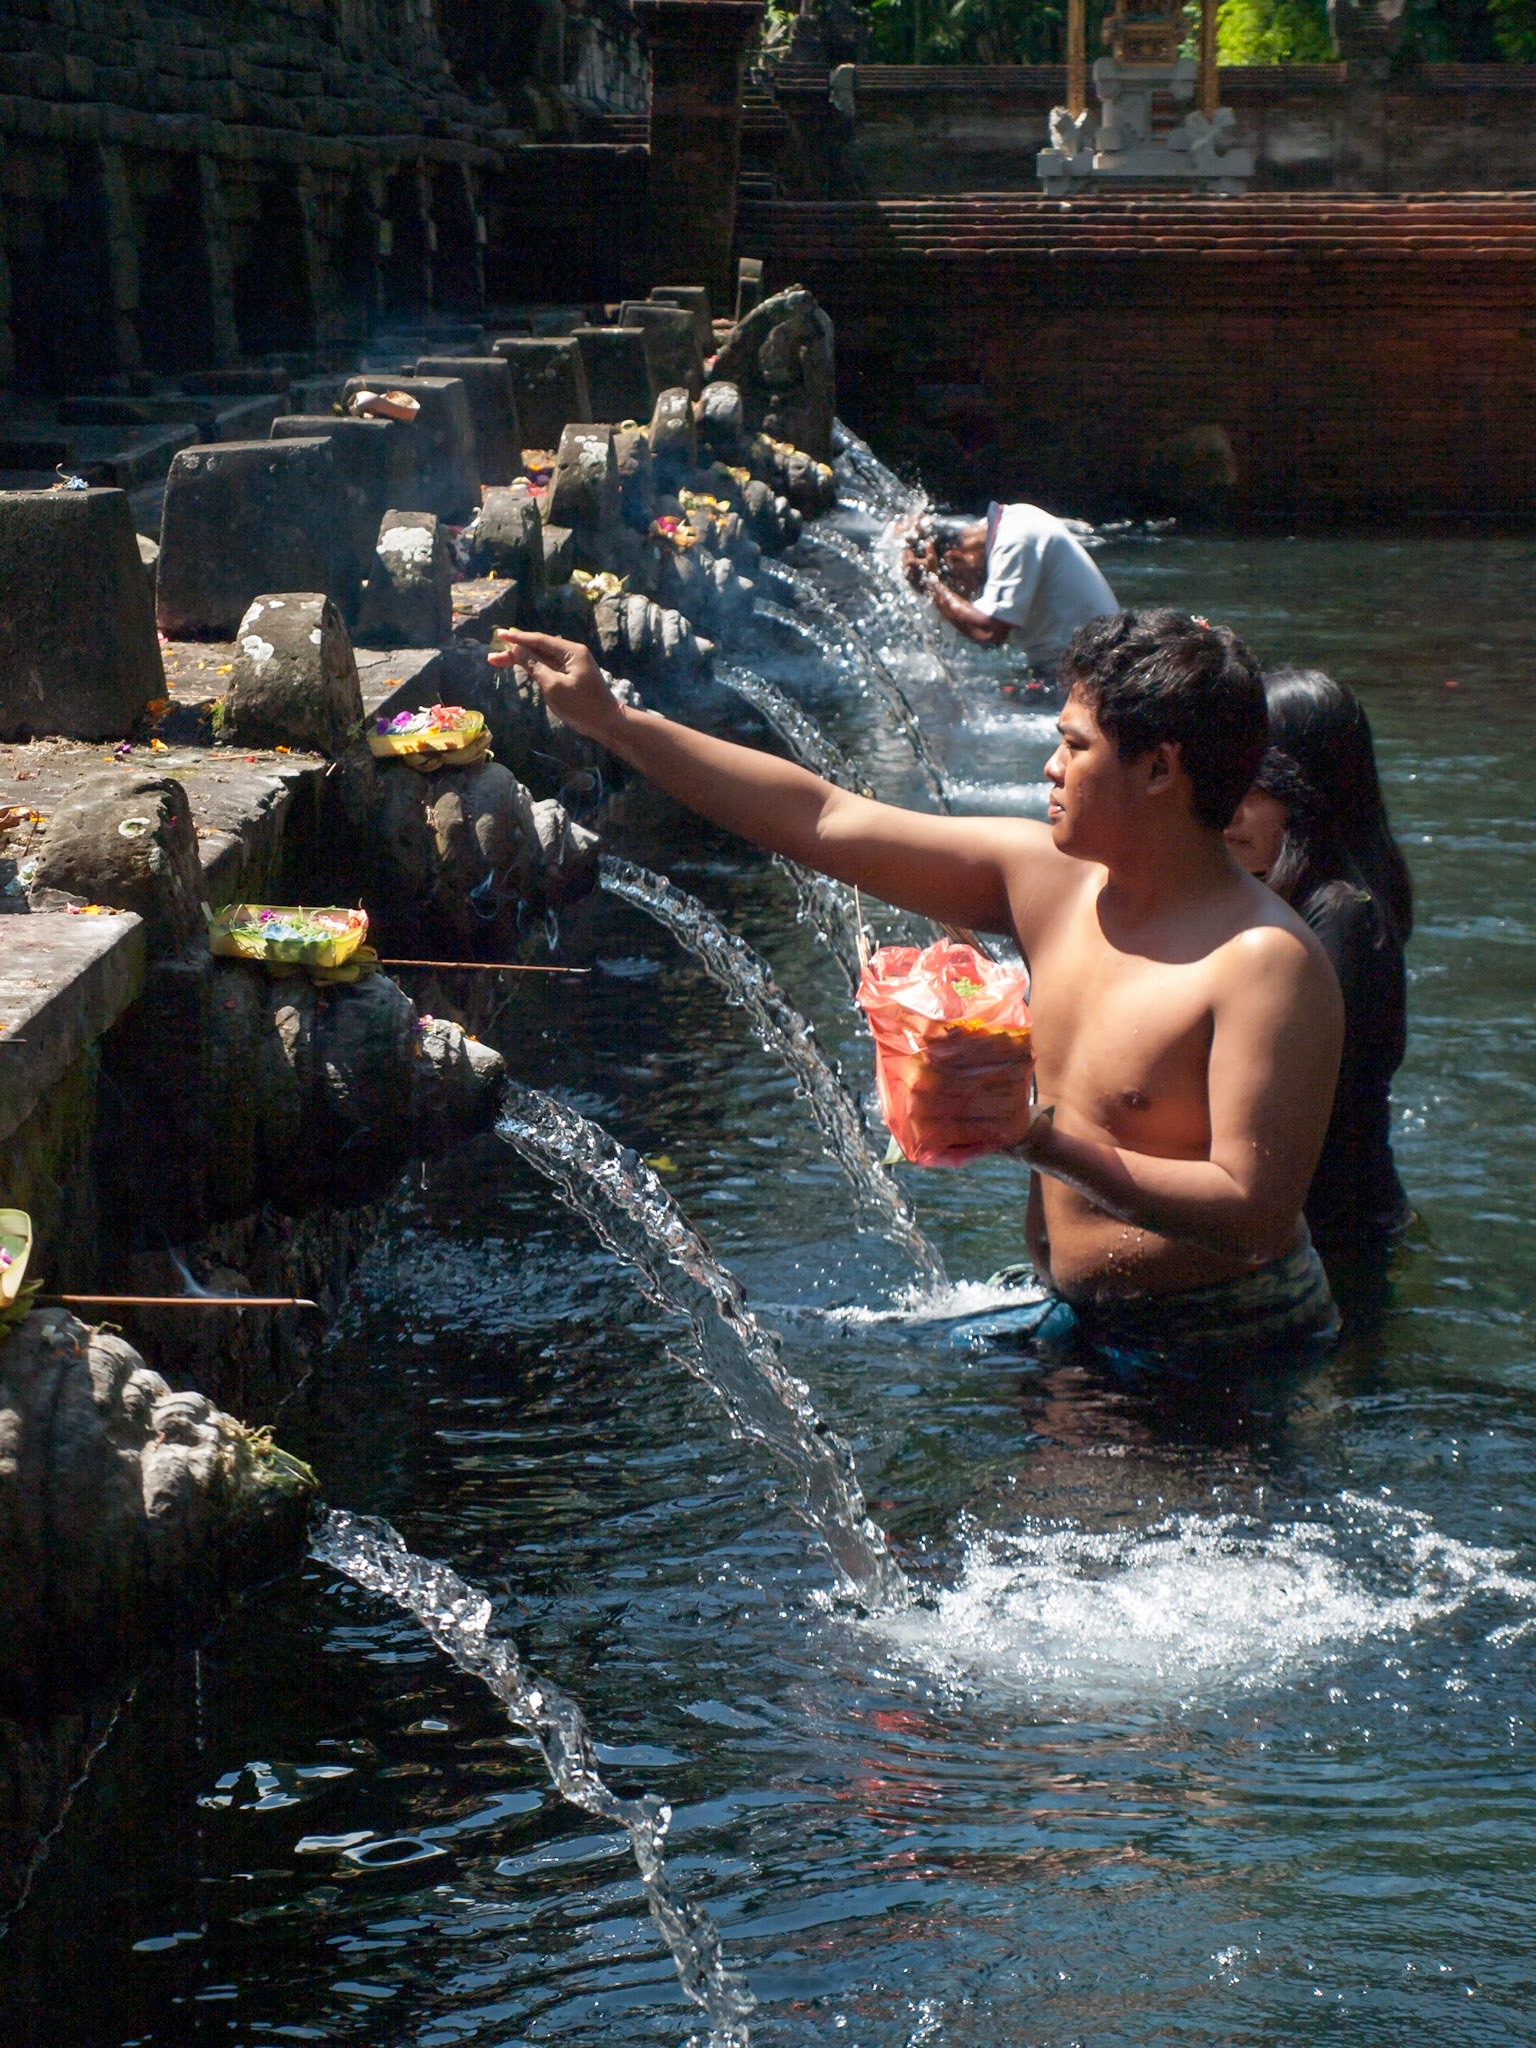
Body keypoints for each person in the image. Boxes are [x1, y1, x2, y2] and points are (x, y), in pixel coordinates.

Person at [494, 608, 1346, 1363]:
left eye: (1075, 746)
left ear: (1161, 772)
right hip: (1077, 1318)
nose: (1051, 767)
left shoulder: (1262, 963)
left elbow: (1254, 1214)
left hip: (1221, 1347)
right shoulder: (1048, 881)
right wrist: (613, 722)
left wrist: (1034, 1139)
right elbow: (823, 819)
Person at [1224, 676, 1412, 1255]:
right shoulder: (1295, 900)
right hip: (1317, 1227)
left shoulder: (1341, 918)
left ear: (1309, 795)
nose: (1226, 810)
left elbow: (1288, 1099)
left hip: (1338, 1242)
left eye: (1253, 789)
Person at [901, 502, 1118, 667]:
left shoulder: (1015, 541)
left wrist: (931, 583)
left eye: (954, 584)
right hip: (1087, 663)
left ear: (954, 559)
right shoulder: (1014, 521)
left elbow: (987, 632)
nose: (967, 594)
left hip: (1092, 671)